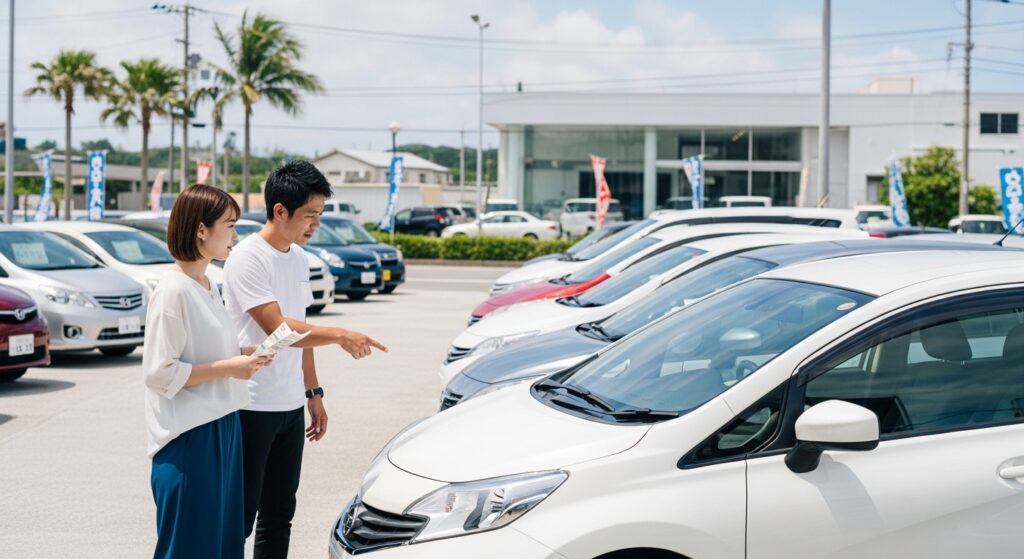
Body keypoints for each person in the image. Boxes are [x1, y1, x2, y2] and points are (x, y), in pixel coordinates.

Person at [223, 160, 387, 559]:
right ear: (280, 210)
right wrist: (340, 335)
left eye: (320, 214)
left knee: (280, 515)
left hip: (289, 406)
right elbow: (278, 328)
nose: (316, 224)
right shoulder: (247, 258)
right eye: (310, 214)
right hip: (250, 406)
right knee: (240, 517)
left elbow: (302, 329)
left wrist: (313, 392)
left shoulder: (298, 258)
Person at [143, 184, 274, 559]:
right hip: (190, 436)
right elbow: (159, 373)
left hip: (223, 424)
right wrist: (231, 367)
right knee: (191, 547)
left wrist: (240, 355)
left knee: (222, 544)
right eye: (230, 225)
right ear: (202, 230)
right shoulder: (173, 291)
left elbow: (201, 350)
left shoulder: (207, 284)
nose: (235, 235)